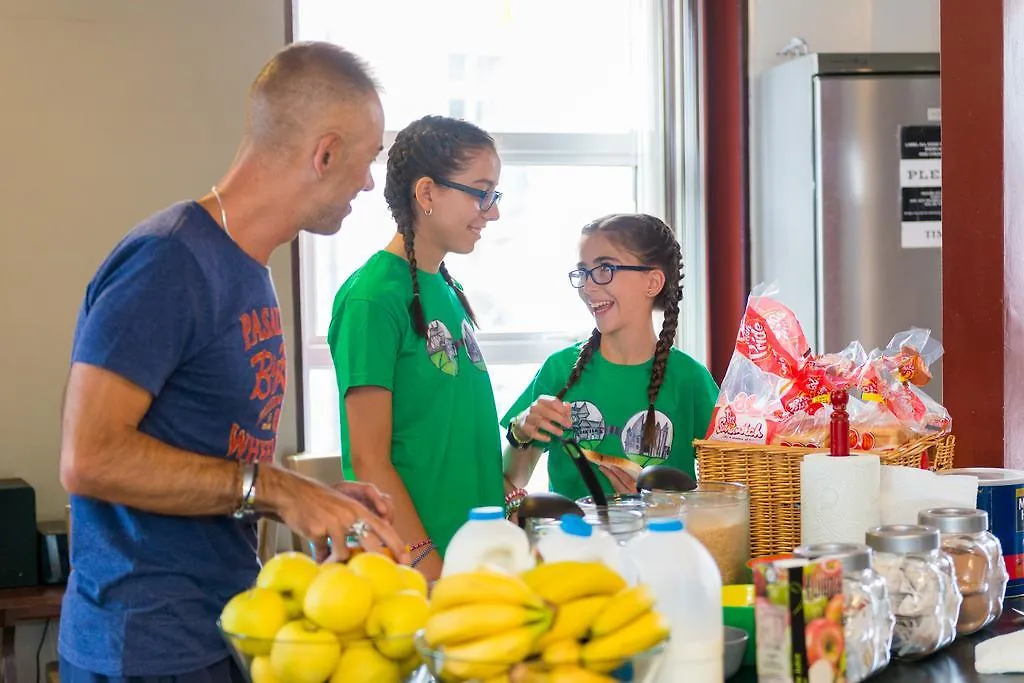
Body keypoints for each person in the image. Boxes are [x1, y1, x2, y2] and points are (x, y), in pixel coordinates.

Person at [57, 42, 408, 682]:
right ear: (325, 153)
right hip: (143, 650)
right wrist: (273, 486)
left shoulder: (248, 272)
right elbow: (90, 457)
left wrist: (305, 499)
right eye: (368, 160)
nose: (366, 183)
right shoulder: (167, 261)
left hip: (218, 631)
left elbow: (208, 455)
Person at [328, 114, 505, 580]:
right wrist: (428, 566)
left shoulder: (446, 288)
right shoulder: (372, 298)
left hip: (471, 555)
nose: (493, 211)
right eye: (481, 193)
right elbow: (369, 459)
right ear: (427, 193)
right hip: (419, 570)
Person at [501, 213, 719, 501]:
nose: (588, 287)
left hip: (664, 546)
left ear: (652, 282)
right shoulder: (559, 370)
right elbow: (511, 480)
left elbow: (724, 495)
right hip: (571, 545)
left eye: (604, 269)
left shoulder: (690, 380)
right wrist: (521, 431)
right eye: (583, 272)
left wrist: (660, 504)